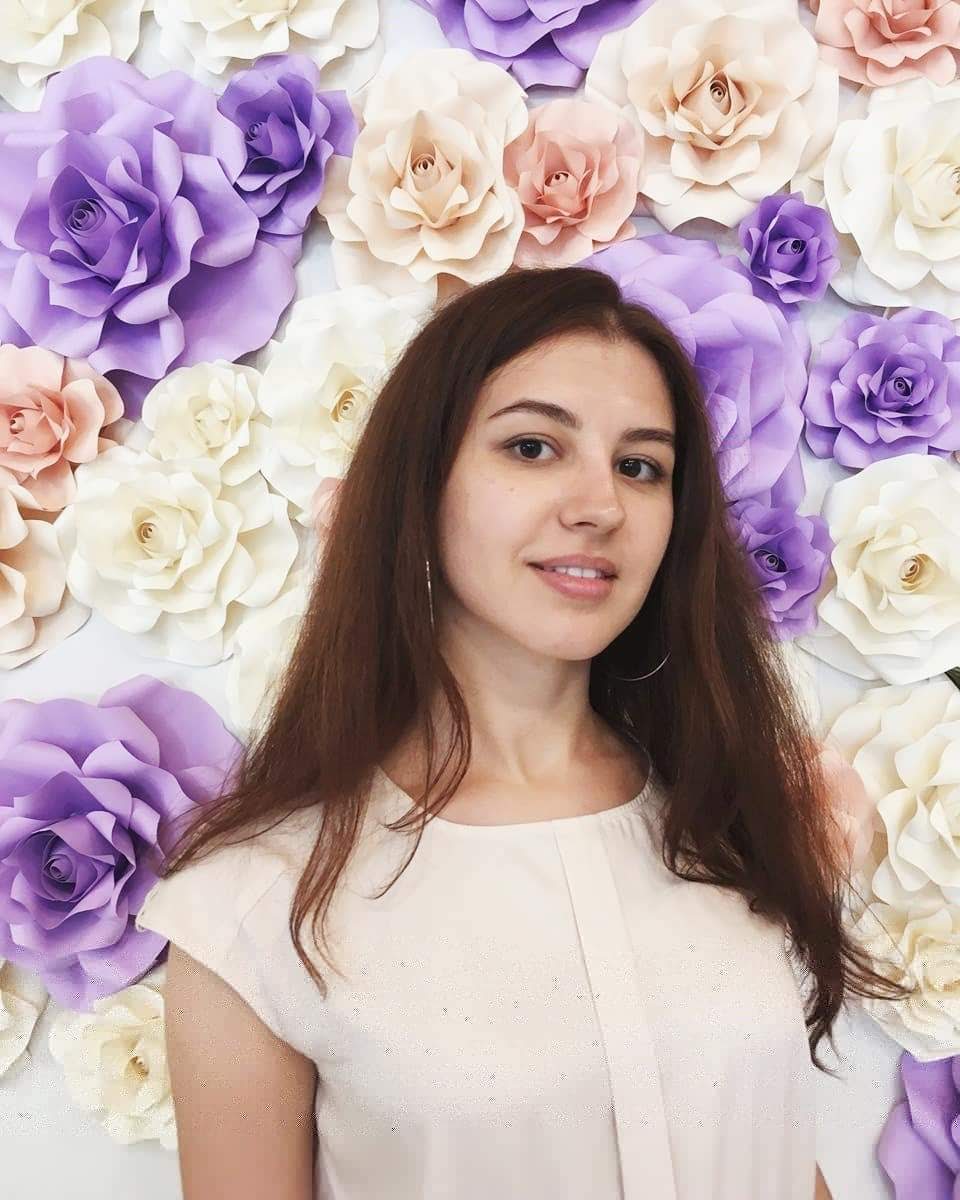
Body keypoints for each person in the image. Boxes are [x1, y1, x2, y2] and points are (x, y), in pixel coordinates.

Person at [135, 266, 913, 1200]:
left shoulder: (730, 810)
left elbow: (771, 1149)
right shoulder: (255, 904)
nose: (600, 505)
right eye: (534, 447)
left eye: (640, 466)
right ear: (419, 486)